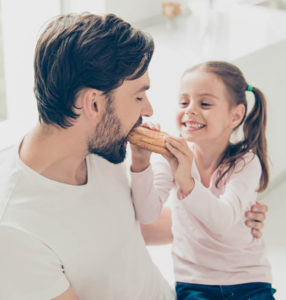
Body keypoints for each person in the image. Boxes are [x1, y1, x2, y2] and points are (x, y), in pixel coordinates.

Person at [0, 12, 267, 300]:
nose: (149, 110)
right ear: (93, 104)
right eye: (139, 97)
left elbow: (132, 227)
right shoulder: (15, 232)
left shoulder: (102, 147)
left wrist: (231, 220)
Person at [130, 61, 276, 299]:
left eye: (205, 103)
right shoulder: (170, 157)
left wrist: (187, 181)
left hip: (248, 279)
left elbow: (222, 222)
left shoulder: (245, 162)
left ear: (236, 115)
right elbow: (147, 214)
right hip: (195, 283)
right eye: (183, 102)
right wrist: (140, 164)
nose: (190, 110)